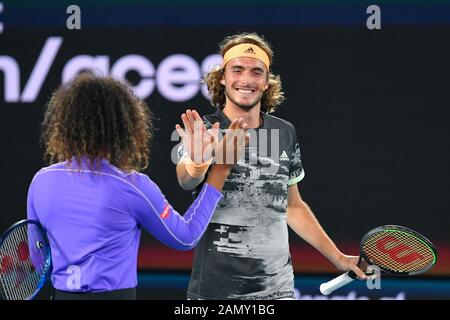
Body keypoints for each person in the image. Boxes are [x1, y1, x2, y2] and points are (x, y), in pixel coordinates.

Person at [175, 33, 367, 300]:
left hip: (277, 289)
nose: (246, 80)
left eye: (256, 72)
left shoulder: (285, 131)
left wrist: (338, 258)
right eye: (237, 70)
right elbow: (185, 180)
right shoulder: (203, 129)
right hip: (215, 291)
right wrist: (197, 164)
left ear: (266, 83)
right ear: (222, 78)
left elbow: (292, 206)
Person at [26, 72, 247, 300]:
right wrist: (221, 169)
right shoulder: (132, 186)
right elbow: (185, 238)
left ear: (65, 125)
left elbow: (39, 259)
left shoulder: (40, 181)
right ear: (124, 127)